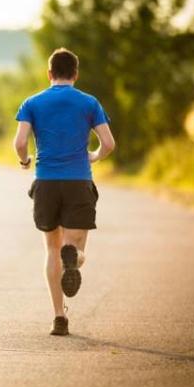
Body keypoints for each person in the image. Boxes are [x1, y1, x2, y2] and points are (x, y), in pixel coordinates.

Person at [13, 47, 115, 336]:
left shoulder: (32, 102)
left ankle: (59, 317)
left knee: (51, 249)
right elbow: (108, 144)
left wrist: (24, 161)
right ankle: (75, 258)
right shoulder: (89, 102)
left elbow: (20, 142)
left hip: (46, 182)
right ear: (75, 74)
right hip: (77, 181)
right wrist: (94, 156)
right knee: (76, 249)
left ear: (49, 74)